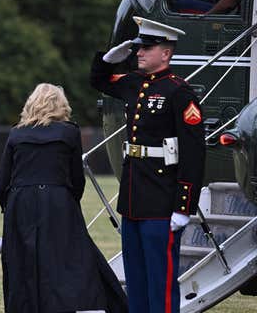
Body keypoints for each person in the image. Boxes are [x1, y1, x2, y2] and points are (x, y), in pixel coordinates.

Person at [90, 17, 206, 313]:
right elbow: (98, 81)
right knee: (137, 281)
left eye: (146, 47)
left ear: (166, 53)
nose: (138, 52)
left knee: (161, 282)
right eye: (138, 47)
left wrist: (183, 206)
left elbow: (193, 154)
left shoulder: (179, 92)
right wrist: (106, 60)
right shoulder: (133, 83)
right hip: (133, 198)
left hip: (162, 200)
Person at [0, 83, 128, 313]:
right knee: (66, 260)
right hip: (58, 200)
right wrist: (69, 201)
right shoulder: (69, 132)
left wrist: (10, 207)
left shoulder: (17, 133)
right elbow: (77, 176)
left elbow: (2, 180)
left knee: (24, 262)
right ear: (60, 105)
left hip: (21, 200)